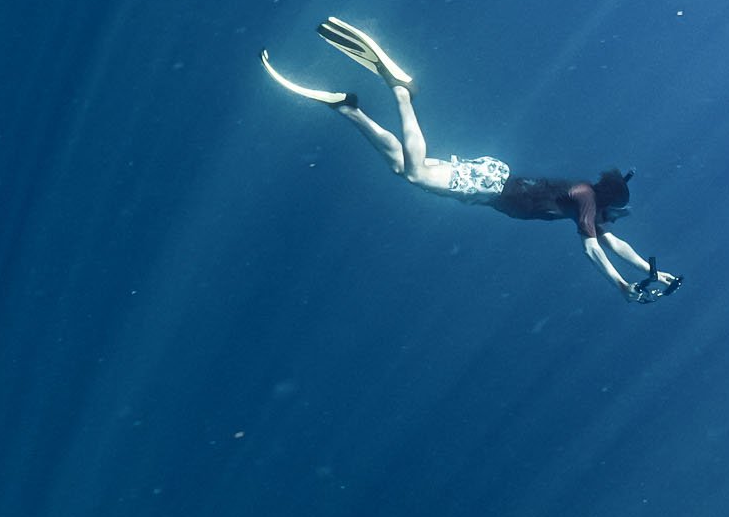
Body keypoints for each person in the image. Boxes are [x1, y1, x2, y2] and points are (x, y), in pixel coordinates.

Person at [261, 18, 683, 303]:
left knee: (403, 170)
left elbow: (612, 242)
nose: (613, 220)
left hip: (490, 182)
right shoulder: (586, 200)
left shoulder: (586, 202)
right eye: (616, 212)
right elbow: (593, 248)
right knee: (417, 172)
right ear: (608, 201)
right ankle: (400, 89)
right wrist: (622, 285)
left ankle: (349, 109)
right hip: (491, 185)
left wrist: (652, 271)